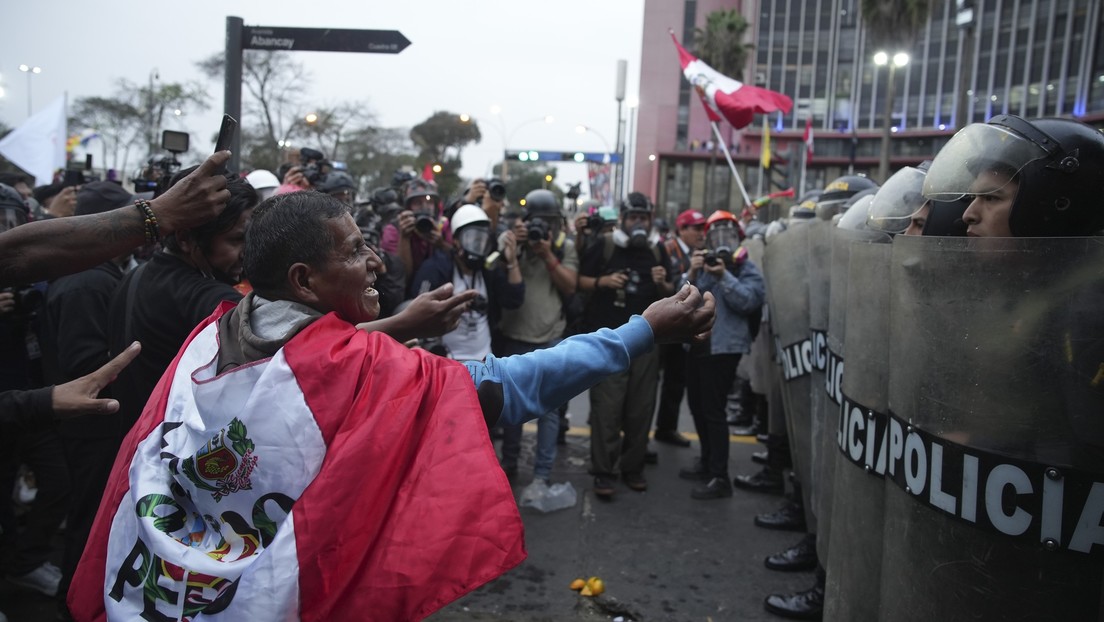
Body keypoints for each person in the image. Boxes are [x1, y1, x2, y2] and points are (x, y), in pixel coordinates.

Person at [68, 191, 716, 621]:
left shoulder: (208, 339)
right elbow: (508, 386)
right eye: (354, 251)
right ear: (303, 280)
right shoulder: (365, 373)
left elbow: (312, 357)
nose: (376, 259)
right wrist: (641, 331)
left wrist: (401, 323)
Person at [0, 152, 231, 288]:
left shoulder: (129, 273)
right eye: (236, 238)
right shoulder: (85, 284)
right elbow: (17, 254)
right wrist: (160, 214)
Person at [577, 192, 675, 498]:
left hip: (646, 342)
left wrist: (662, 284)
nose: (638, 224)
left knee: (640, 408)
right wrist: (603, 283)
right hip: (608, 339)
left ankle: (633, 467)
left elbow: (672, 292)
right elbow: (577, 281)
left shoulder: (658, 251)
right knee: (607, 408)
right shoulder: (605, 246)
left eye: (643, 218)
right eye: (633, 218)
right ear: (622, 219)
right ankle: (604, 472)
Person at [679, 211, 765, 499]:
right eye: (716, 235)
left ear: (739, 238)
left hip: (724, 348)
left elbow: (750, 301)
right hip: (697, 345)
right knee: (697, 407)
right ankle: (706, 461)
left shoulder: (746, 268)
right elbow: (680, 299)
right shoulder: (704, 265)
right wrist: (692, 272)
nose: (722, 241)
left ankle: (720, 476)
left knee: (714, 412)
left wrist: (724, 275)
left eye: (728, 235)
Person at [498, 190, 578, 486]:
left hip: (550, 338)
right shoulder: (513, 243)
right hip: (515, 335)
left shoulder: (563, 247)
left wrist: (547, 255)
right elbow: (495, 270)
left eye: (549, 221)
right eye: (537, 221)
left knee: (550, 410)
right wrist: (514, 244)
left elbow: (570, 287)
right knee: (511, 407)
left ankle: (542, 474)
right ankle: (508, 465)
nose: (542, 227)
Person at [923, 114, 1104, 237]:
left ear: (1055, 206)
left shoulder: (1087, 294)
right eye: (972, 198)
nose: (967, 215)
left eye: (991, 198)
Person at [409, 204, 524, 361]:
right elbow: (417, 315)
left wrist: (512, 261)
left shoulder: (487, 271)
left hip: (486, 362)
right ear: (456, 240)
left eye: (482, 240)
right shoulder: (435, 268)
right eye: (472, 238)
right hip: (447, 364)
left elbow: (514, 299)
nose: (478, 247)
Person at [653, 208, 707, 448]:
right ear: (681, 229)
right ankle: (639, 434)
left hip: (682, 326)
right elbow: (670, 288)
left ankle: (667, 427)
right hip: (660, 322)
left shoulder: (700, 252)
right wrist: (690, 272)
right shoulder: (666, 249)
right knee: (649, 382)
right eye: (696, 228)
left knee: (676, 379)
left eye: (702, 228)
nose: (701, 233)